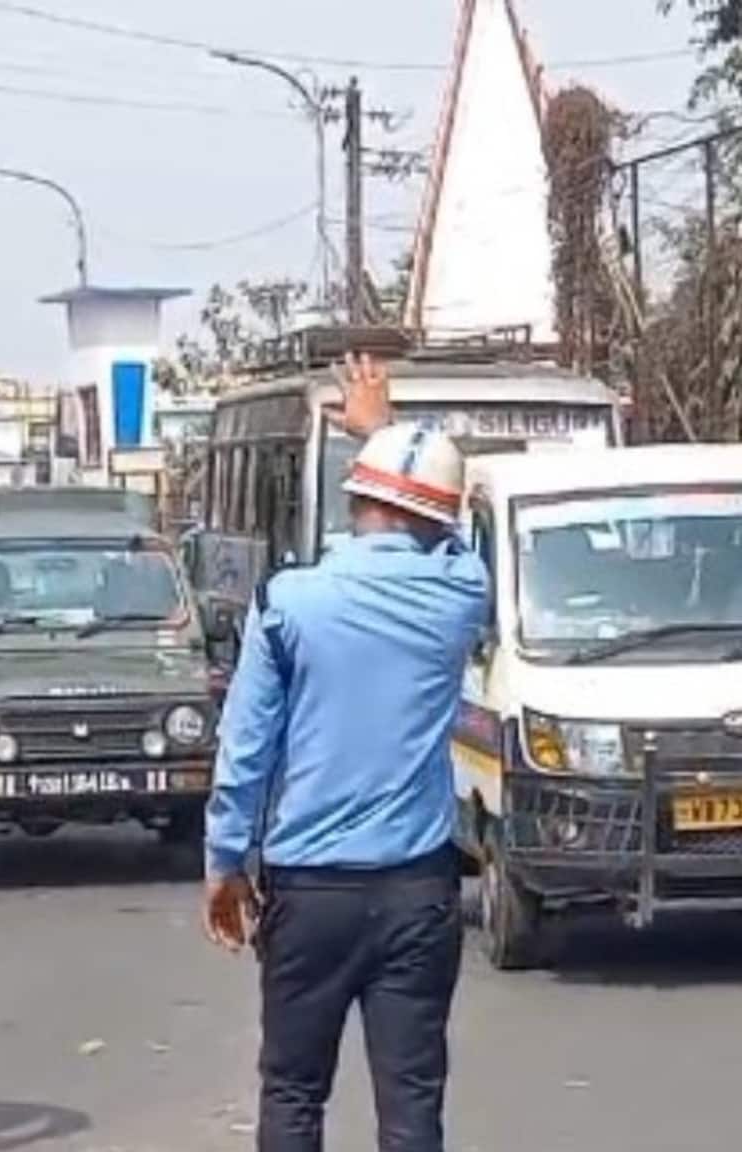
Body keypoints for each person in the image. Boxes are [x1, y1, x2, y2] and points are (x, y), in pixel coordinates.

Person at [202, 355, 489, 1152]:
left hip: (311, 896)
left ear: (353, 497)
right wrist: (386, 434)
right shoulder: (460, 595)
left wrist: (226, 862)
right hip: (419, 894)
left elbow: (246, 751)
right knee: (412, 1105)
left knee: (293, 1092)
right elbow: (457, 539)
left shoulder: (288, 604)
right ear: (439, 519)